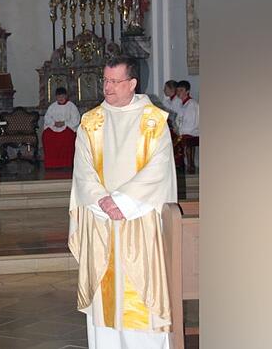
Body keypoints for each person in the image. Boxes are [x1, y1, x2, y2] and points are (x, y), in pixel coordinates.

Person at [69, 56, 178, 348]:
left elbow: (159, 168)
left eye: (115, 81)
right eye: (105, 80)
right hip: (101, 223)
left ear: (132, 84)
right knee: (104, 308)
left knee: (141, 301)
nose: (108, 87)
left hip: (139, 225)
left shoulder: (153, 121)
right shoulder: (90, 122)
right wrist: (103, 203)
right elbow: (83, 169)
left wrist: (123, 202)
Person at [41, 87, 81, 170]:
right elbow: (47, 118)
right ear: (56, 97)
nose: (61, 98)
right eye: (59, 97)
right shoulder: (53, 106)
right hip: (54, 126)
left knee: (67, 136)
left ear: (66, 96)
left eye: (62, 96)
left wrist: (64, 123)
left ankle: (66, 163)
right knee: (47, 135)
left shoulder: (71, 106)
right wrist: (54, 123)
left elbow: (75, 119)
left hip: (67, 126)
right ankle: (51, 164)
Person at [175, 80, 199, 173]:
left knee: (175, 140)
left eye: (181, 90)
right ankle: (179, 165)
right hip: (184, 130)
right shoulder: (182, 104)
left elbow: (191, 122)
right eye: (177, 90)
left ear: (187, 91)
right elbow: (179, 120)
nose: (178, 93)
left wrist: (180, 133)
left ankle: (189, 165)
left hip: (192, 131)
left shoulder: (191, 104)